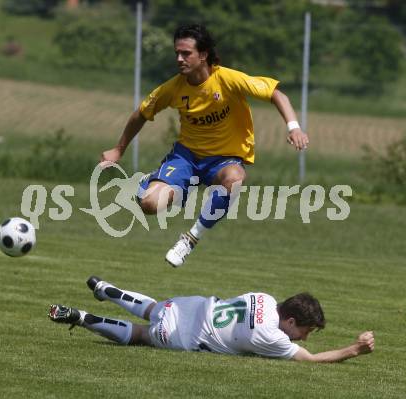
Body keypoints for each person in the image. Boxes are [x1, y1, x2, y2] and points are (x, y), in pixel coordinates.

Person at [101, 24, 309, 267]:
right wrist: (118, 149)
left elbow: (277, 94)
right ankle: (157, 183)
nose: (179, 59)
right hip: (187, 157)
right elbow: (141, 114)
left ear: (203, 54)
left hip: (223, 160)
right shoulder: (173, 88)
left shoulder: (228, 79)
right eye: (177, 53)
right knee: (149, 204)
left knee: (235, 178)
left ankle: (190, 239)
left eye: (186, 53)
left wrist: (294, 127)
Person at [49, 276, 375, 362]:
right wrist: (353, 350)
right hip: (183, 337)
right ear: (289, 322)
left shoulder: (264, 298)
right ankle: (82, 317)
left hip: (190, 306)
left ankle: (106, 289)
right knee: (139, 334)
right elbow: (313, 359)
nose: (303, 338)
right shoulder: (271, 338)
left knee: (152, 308)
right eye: (304, 331)